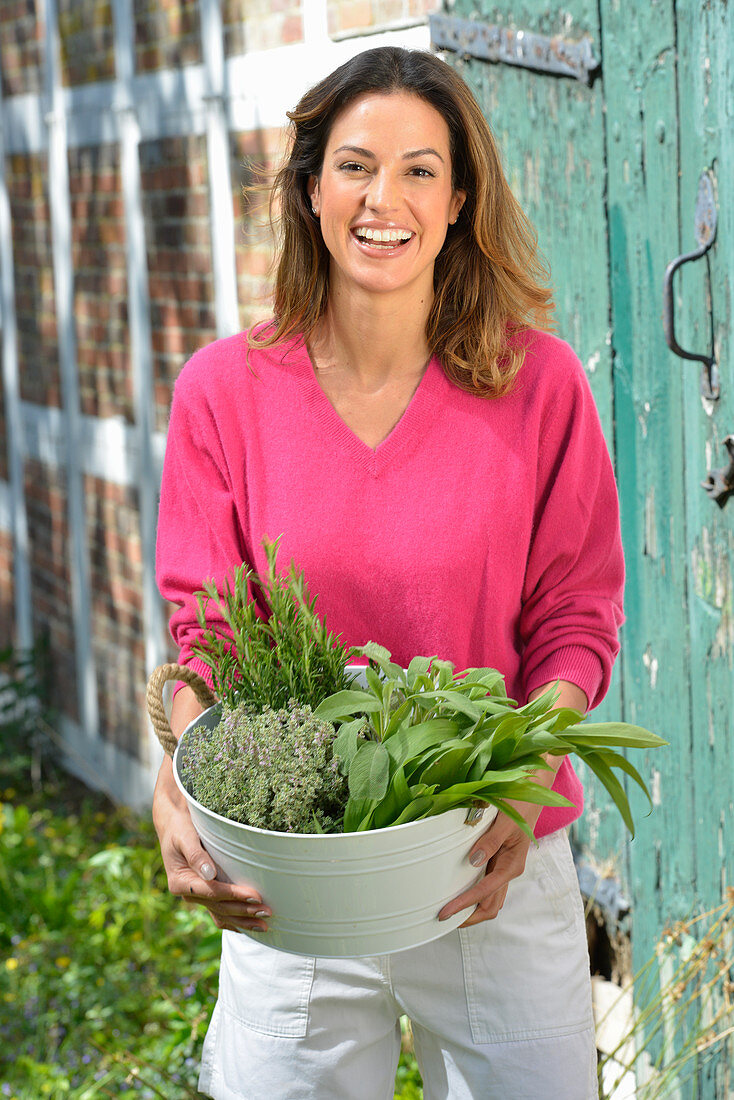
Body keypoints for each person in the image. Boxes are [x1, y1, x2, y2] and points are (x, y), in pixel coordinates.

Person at [153, 45, 624, 1100]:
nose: (385, 198)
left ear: (457, 200)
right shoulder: (223, 393)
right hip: (295, 874)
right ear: (311, 188)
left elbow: (575, 619)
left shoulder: (535, 383)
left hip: (482, 860)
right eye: (357, 164)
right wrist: (182, 777)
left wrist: (524, 773)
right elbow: (206, 644)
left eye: (420, 169)